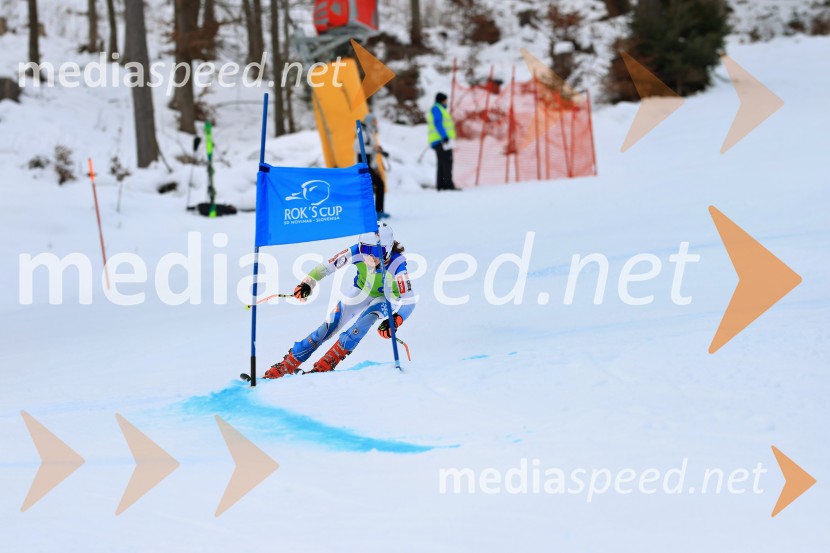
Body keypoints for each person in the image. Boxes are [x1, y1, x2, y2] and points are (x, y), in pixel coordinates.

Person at [264, 223, 416, 379]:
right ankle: (288, 363)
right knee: (328, 326)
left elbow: (409, 301)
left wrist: (396, 320)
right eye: (365, 249)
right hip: (362, 290)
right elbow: (327, 266)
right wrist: (308, 283)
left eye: (376, 251)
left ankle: (328, 362)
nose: (369, 256)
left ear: (388, 249)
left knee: (363, 323)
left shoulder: (397, 265)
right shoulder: (356, 252)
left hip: (387, 297)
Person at [354, 113, 390, 219]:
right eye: (374, 120)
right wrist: (373, 149)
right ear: (369, 121)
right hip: (363, 166)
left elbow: (370, 150)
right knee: (375, 186)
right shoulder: (364, 133)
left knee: (378, 185)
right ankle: (374, 212)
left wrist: (375, 166)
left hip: (369, 165)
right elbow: (357, 148)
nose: (376, 123)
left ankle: (378, 211)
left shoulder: (369, 132)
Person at [427, 92, 460, 191]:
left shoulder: (437, 109)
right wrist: (444, 137)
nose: (447, 102)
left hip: (438, 140)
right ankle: (447, 185)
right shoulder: (437, 109)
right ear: (442, 100)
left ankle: (441, 185)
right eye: (445, 100)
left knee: (442, 163)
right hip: (442, 140)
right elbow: (438, 123)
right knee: (446, 163)